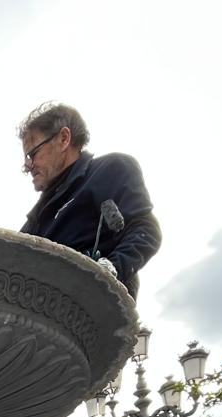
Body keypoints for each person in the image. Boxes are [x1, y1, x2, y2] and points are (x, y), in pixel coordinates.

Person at [17, 102, 161, 297]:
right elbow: (12, 258)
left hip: (94, 316)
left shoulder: (108, 171)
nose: (27, 165)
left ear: (64, 139)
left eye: (32, 153)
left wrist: (108, 273)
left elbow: (145, 229)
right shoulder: (38, 217)